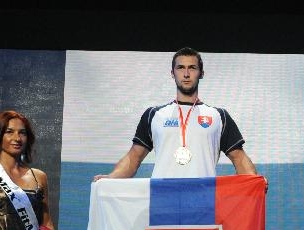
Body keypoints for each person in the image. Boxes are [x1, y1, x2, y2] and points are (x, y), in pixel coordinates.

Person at [93, 47, 257, 180]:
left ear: (201, 73)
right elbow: (134, 157)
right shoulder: (153, 115)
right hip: (162, 200)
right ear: (172, 73)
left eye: (192, 68)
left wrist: (255, 180)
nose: (186, 74)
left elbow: (239, 158)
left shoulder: (219, 116)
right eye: (180, 68)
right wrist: (111, 178)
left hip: (203, 201)